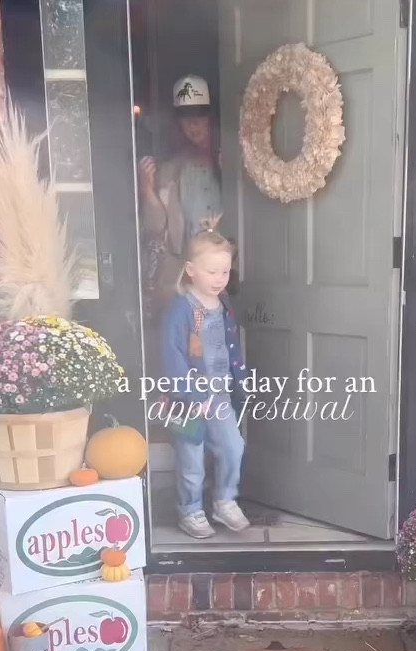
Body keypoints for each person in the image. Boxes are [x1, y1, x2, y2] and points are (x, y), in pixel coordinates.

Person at [160, 223, 250, 539]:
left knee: (233, 446)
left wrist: (240, 380)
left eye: (224, 272)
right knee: (191, 459)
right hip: (188, 401)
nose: (219, 279)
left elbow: (230, 348)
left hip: (220, 396)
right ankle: (190, 510)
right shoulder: (182, 309)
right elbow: (172, 353)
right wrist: (188, 395)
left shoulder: (223, 306)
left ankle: (224, 500)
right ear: (190, 270)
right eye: (212, 271)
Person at [139, 74, 223, 309]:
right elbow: (157, 229)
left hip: (229, 276)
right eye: (185, 118)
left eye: (199, 115)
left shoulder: (232, 163)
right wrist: (146, 189)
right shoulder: (171, 170)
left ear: (211, 117)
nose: (193, 124)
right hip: (190, 283)